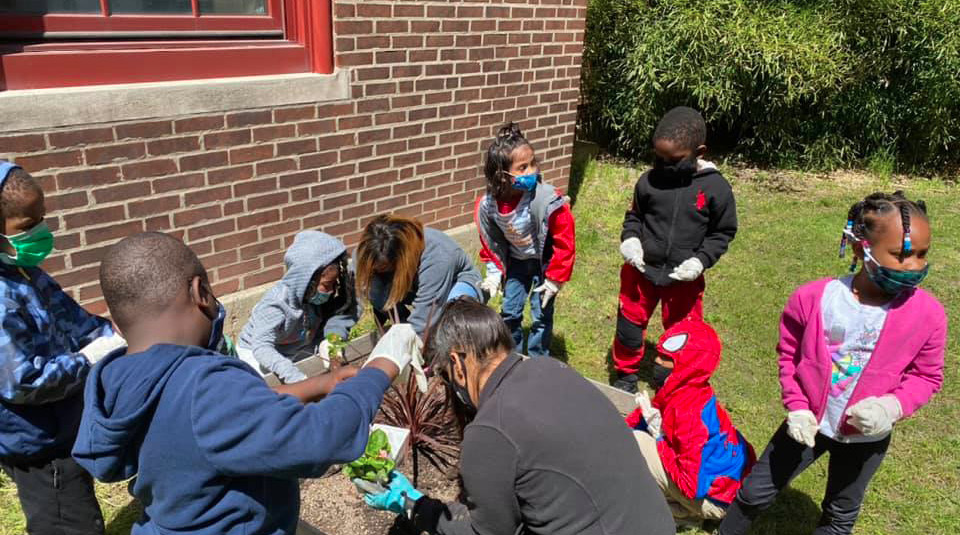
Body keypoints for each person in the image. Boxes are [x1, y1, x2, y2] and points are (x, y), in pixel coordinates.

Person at [71, 231, 420, 535]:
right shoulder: (204, 387)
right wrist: (381, 367)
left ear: (117, 324)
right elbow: (321, 439)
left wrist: (319, 385)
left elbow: (234, 412)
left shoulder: (124, 379)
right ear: (200, 292)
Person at [718, 192, 946, 535]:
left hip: (867, 437)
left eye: (922, 254)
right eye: (901, 255)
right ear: (861, 249)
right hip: (808, 422)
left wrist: (891, 407)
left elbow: (927, 376)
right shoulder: (812, 299)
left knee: (841, 513)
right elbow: (789, 355)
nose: (914, 265)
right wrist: (796, 407)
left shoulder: (929, 315)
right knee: (753, 494)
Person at [361, 298, 675, 535]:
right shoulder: (550, 368)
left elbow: (487, 533)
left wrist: (418, 509)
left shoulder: (491, 430)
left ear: (457, 363)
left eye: (445, 374)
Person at [0, 161, 123, 535]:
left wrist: (118, 335)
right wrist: (89, 359)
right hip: (38, 442)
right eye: (26, 226)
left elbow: (75, 321)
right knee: (67, 521)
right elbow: (23, 382)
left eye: (41, 219)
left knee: (76, 499)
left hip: (62, 424)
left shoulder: (26, 272)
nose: (40, 231)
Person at [612, 106, 737, 393]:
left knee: (682, 333)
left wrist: (701, 261)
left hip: (684, 277)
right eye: (660, 158)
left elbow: (723, 232)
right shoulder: (648, 181)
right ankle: (626, 376)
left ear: (699, 151)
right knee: (629, 324)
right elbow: (635, 217)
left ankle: (669, 380)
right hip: (641, 270)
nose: (665, 165)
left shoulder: (716, 189)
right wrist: (630, 238)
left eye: (675, 160)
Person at [626, 319, 755, 527]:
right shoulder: (683, 390)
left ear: (687, 363)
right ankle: (679, 509)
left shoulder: (689, 413)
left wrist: (659, 438)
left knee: (637, 442)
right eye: (658, 355)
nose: (657, 362)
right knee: (635, 439)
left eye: (666, 358)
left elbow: (690, 485)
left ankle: (684, 513)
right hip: (722, 482)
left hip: (715, 499)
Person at [475, 123, 576, 357]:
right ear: (502, 176)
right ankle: (514, 356)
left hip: (544, 263)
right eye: (523, 167)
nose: (532, 171)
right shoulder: (489, 205)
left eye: (533, 163)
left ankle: (539, 358)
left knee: (541, 313)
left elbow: (565, 240)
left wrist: (555, 278)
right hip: (518, 262)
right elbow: (491, 241)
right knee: (510, 311)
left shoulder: (546, 199)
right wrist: (493, 272)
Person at [237, 231, 358, 383]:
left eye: (334, 284)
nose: (332, 291)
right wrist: (297, 379)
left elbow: (319, 331)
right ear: (306, 280)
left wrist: (329, 347)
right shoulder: (276, 304)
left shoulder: (312, 301)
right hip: (256, 355)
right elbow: (262, 348)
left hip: (290, 352)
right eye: (327, 285)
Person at [355, 214, 483, 336]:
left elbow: (425, 317)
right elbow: (352, 298)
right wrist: (336, 338)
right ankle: (402, 323)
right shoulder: (372, 248)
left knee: (452, 321)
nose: (378, 270)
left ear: (402, 257)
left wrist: (404, 350)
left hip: (453, 284)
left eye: (383, 267)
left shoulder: (437, 254)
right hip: (414, 286)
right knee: (373, 286)